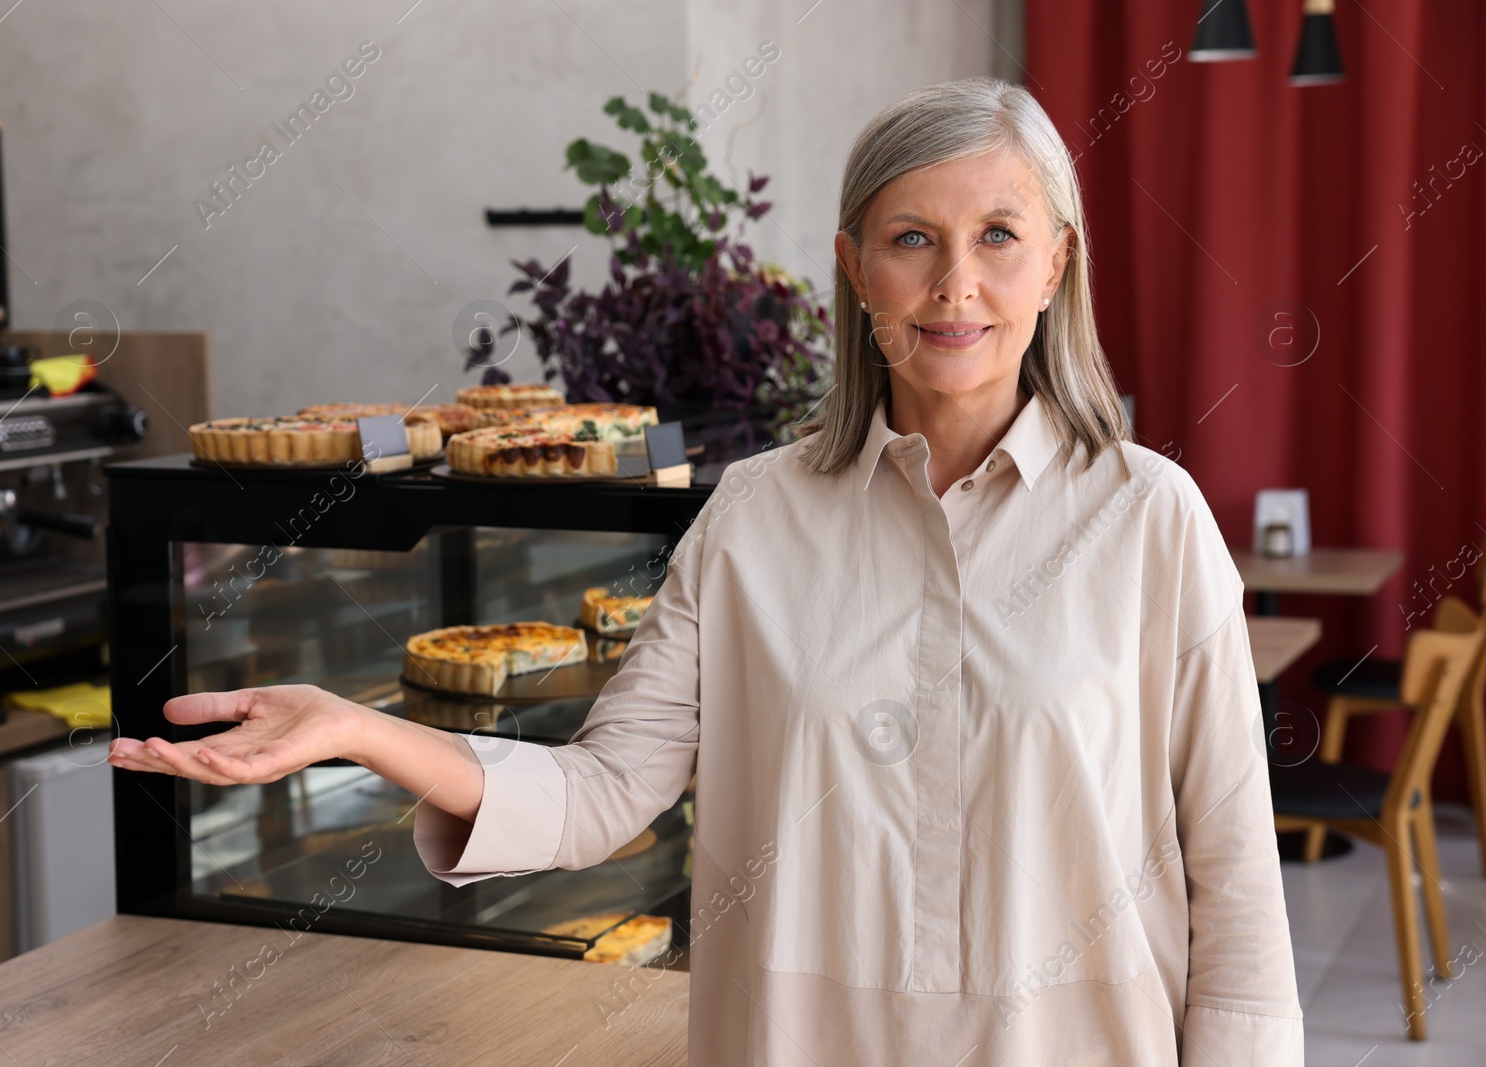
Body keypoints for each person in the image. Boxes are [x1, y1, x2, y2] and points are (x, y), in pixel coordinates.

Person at [110, 76, 1303, 1065]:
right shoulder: (752, 517)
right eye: (911, 240)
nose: (955, 285)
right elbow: (598, 794)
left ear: (1055, 264)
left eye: (998, 235)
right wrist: (357, 727)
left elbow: (1236, 880)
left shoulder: (1152, 521)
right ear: (852, 266)